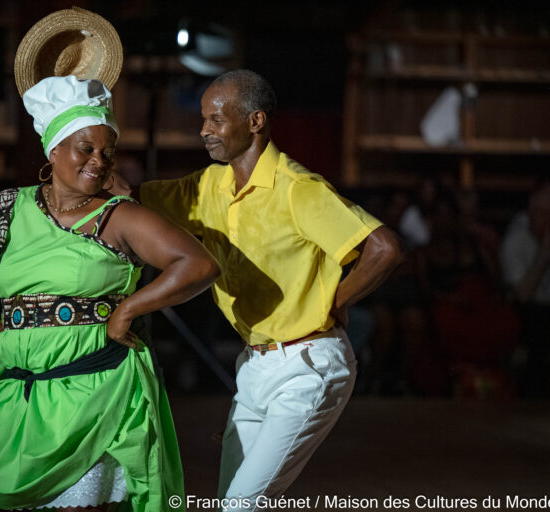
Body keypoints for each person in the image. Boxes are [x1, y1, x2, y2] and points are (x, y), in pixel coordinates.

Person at [112, 69, 404, 510]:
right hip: (253, 366)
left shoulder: (297, 189)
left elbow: (383, 248)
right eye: (204, 120)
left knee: (240, 504)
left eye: (215, 119)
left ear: (255, 122)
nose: (204, 130)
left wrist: (335, 302)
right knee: (232, 499)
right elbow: (133, 202)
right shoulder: (209, 185)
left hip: (309, 365)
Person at [0, 76, 220, 512]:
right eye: (86, 148)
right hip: (17, 393)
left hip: (93, 394)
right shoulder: (7, 208)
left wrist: (128, 309)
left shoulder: (118, 217)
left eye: (108, 152)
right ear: (54, 149)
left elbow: (199, 265)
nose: (99, 161)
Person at [499, 177, 550, 397]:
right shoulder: (514, 241)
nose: (546, 220)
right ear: (531, 210)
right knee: (538, 321)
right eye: (541, 212)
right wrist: (544, 255)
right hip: (526, 312)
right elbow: (522, 295)